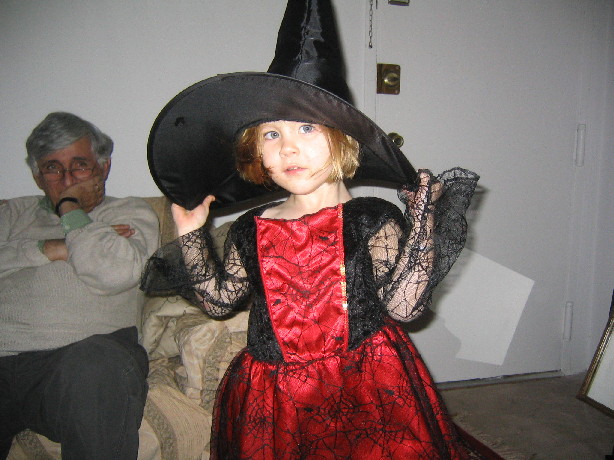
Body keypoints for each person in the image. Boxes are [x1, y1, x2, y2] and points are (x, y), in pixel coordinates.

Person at [142, 1, 480, 458]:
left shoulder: (370, 218)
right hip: (276, 392)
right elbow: (219, 301)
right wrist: (191, 234)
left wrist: (422, 221)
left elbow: (404, 307)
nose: (288, 148)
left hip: (368, 382)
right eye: (272, 134)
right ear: (255, 152)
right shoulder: (250, 228)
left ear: (344, 139)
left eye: (306, 128)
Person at [0, 112, 160, 459]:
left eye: (80, 165)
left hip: (80, 359)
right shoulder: (11, 214)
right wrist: (50, 248)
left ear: (104, 167)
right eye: (52, 168)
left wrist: (69, 209)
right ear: (37, 177)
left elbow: (113, 273)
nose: (68, 178)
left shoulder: (130, 213)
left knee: (97, 365)